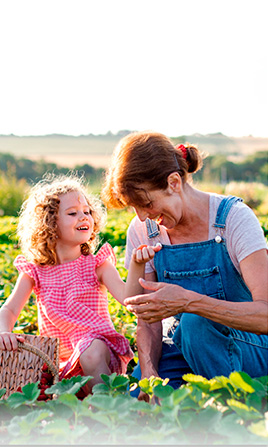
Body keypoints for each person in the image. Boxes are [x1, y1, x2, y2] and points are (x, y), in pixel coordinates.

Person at [101, 130, 268, 400]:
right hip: (180, 347)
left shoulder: (234, 220)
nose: (143, 217)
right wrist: (148, 372)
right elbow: (148, 317)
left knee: (195, 325)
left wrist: (189, 302)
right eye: (135, 208)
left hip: (248, 346)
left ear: (174, 182)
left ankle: (236, 412)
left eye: (146, 203)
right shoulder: (143, 231)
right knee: (136, 404)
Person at [0, 173, 160, 393]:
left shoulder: (97, 264)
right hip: (60, 362)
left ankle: (109, 409)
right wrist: (3, 331)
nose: (83, 217)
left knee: (90, 350)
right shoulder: (35, 270)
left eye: (87, 212)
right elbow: (9, 308)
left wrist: (136, 264)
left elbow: (127, 298)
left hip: (98, 352)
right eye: (73, 213)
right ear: (50, 223)